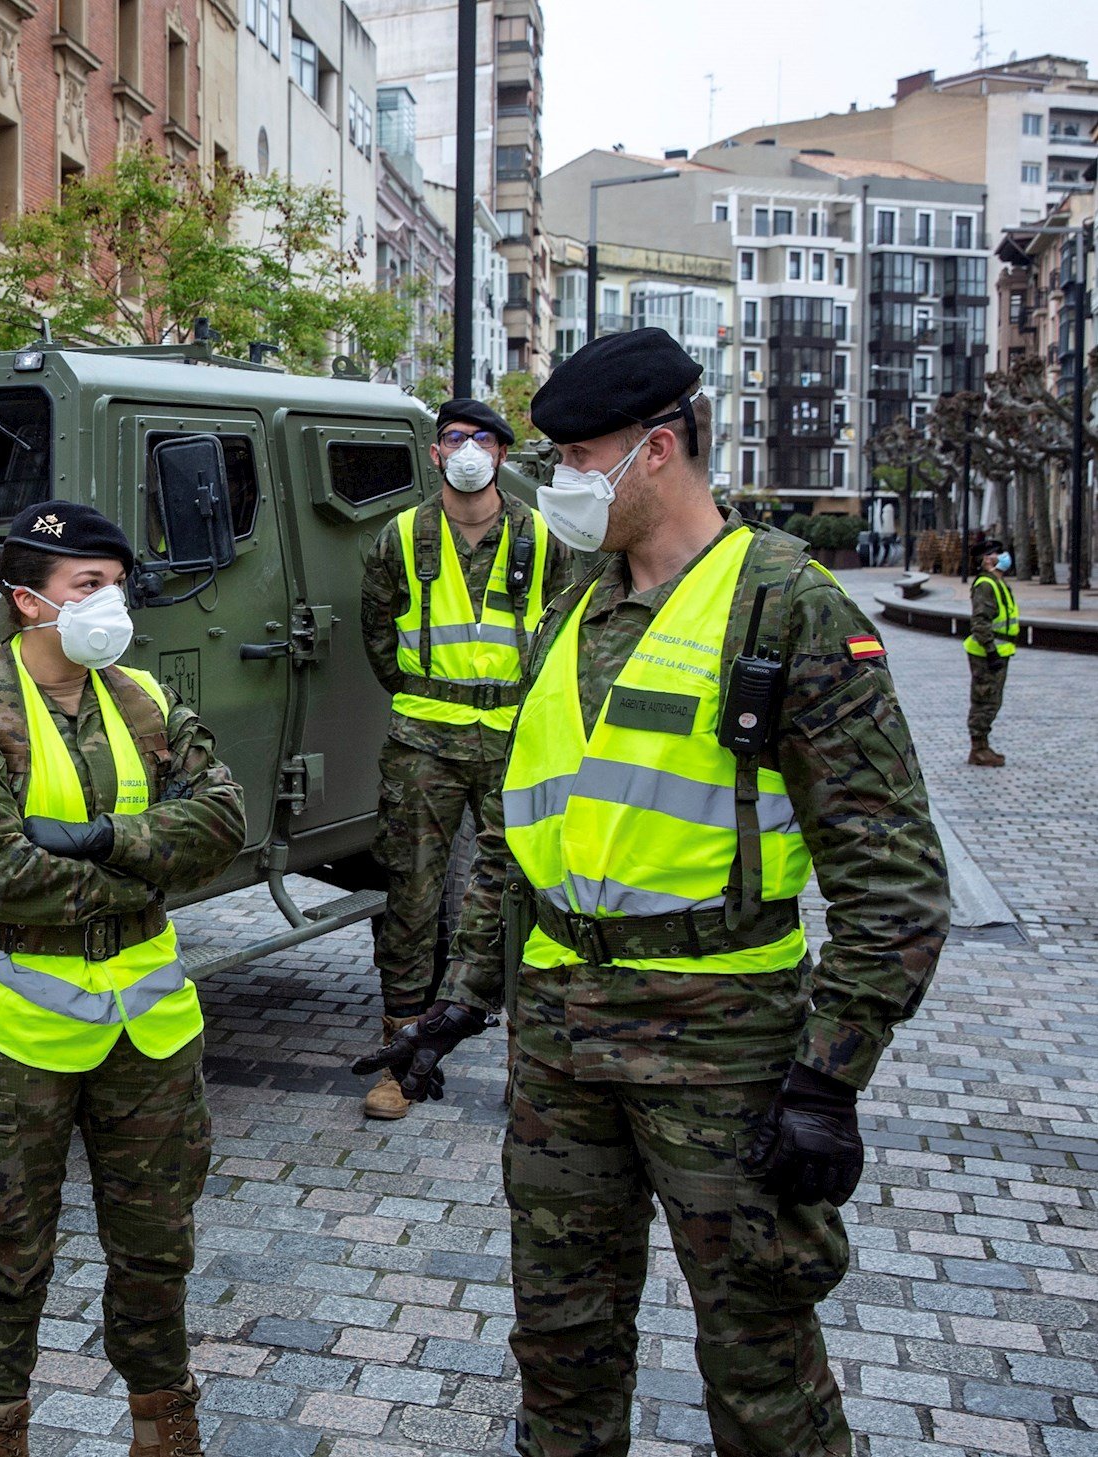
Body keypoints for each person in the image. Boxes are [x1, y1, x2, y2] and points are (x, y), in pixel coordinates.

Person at [356, 330, 948, 1457]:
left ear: (657, 450)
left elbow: (893, 882)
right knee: (559, 1343)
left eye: (578, 457)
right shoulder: (574, 603)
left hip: (719, 1042)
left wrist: (829, 1074)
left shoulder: (786, 605)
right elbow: (528, 826)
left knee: (758, 1356)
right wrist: (462, 993)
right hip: (557, 1037)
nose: (556, 484)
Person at [0, 501, 245, 1457]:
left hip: (148, 1030)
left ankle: (165, 1426)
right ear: (29, 601)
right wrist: (153, 862)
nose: (111, 602)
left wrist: (109, 839)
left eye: (117, 583)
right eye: (87, 587)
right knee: (9, 1250)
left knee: (156, 1246)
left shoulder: (142, 696)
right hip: (17, 1030)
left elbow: (224, 820)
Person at [357, 397, 566, 1119]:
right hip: (423, 742)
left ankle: (527, 1060)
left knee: (523, 895)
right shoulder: (399, 538)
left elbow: (568, 636)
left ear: (503, 455)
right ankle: (400, 1061)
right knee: (410, 900)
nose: (468, 448)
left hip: (518, 743)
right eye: (454, 437)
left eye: (482, 437)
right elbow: (378, 634)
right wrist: (430, 693)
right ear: (436, 452)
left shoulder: (543, 538)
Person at [966, 539, 1017, 767]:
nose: (1002, 556)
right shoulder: (985, 585)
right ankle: (978, 748)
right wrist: (991, 652)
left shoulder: (997, 582)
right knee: (984, 699)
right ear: (986, 560)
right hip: (987, 653)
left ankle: (983, 746)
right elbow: (980, 622)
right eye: (996, 553)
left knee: (992, 700)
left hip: (998, 650)